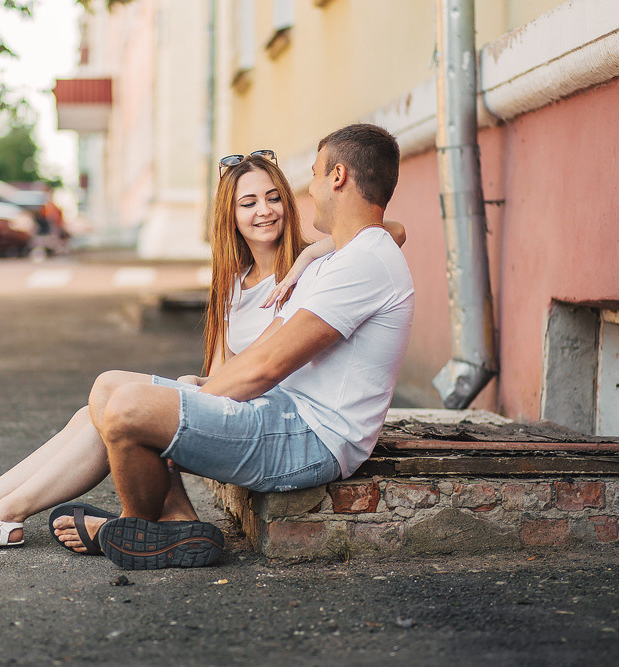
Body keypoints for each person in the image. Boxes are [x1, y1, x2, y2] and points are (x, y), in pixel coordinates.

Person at [0, 149, 403, 550]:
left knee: (118, 397)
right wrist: (192, 390)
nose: (265, 211)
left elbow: (386, 231)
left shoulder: (320, 264)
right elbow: (224, 372)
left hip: (281, 417)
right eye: (249, 202)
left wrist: (312, 250)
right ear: (231, 216)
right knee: (105, 397)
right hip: (250, 409)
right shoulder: (233, 285)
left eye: (273, 198)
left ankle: (6, 515)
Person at [87, 123, 414, 570]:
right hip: (284, 412)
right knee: (108, 387)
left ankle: (135, 526)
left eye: (316, 174)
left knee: (129, 407)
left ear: (338, 177)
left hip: (312, 438)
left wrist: (190, 402)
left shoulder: (362, 264)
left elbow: (266, 368)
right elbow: (387, 230)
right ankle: (165, 527)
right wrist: (311, 255)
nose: (311, 189)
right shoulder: (350, 254)